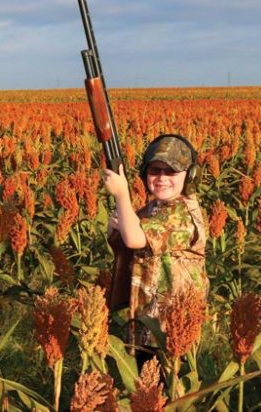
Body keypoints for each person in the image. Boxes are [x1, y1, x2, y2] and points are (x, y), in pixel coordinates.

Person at [103, 134, 209, 356]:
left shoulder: (183, 213)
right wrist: (115, 228)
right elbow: (129, 246)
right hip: (146, 323)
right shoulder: (154, 209)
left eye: (171, 171)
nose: (162, 177)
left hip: (172, 327)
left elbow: (134, 238)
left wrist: (122, 194)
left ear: (190, 176)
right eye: (154, 171)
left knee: (167, 384)